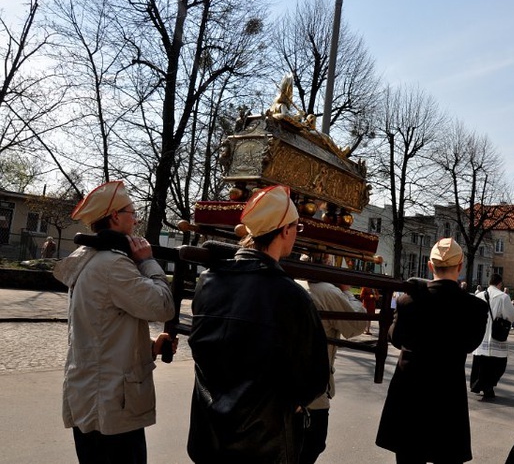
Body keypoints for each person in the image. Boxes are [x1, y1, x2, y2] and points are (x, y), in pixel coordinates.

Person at [187, 185, 329, 463]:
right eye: (296, 228)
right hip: (264, 444)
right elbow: (314, 376)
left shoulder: (208, 282)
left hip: (208, 436)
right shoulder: (291, 296)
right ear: (285, 230)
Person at [52, 180, 175, 464]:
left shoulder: (87, 258)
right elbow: (164, 306)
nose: (136, 218)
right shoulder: (114, 264)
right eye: (132, 211)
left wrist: (149, 346)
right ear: (116, 216)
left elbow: (100, 330)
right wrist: (148, 262)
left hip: (91, 396)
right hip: (110, 405)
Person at [376, 237, 487, 463]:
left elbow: (396, 339)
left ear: (429, 265)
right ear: (460, 266)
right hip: (447, 395)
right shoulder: (475, 308)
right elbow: (470, 344)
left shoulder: (409, 301)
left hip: (409, 394)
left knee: (408, 456)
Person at [298, 263, 367, 464]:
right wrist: (346, 291)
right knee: (312, 444)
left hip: (283, 386)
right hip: (313, 389)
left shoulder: (292, 282)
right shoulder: (328, 291)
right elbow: (357, 325)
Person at [469, 274, 514, 400]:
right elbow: (512, 315)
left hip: (481, 336)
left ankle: (479, 385)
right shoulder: (503, 297)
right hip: (496, 335)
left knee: (480, 364)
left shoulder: (479, 295)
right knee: (497, 364)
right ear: (500, 284)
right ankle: (488, 387)